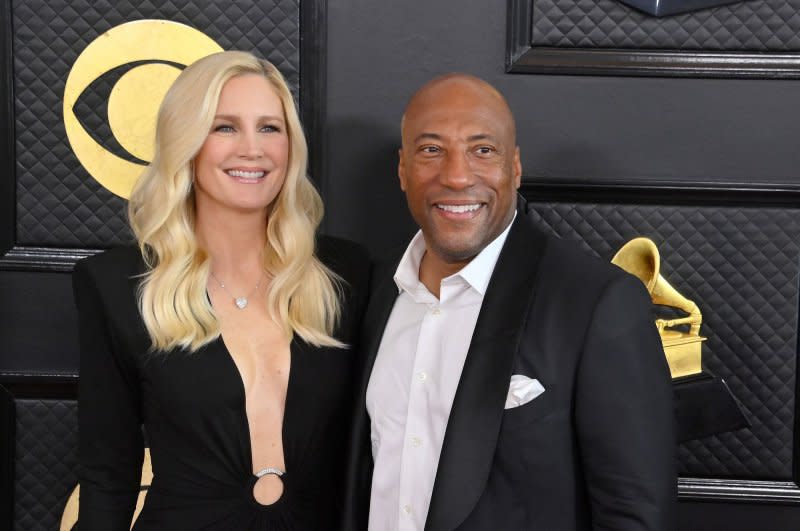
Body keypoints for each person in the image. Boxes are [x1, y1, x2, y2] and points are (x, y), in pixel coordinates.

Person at [343, 74, 676, 530]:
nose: (457, 175)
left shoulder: (597, 303)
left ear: (514, 168)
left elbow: (636, 516)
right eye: (431, 150)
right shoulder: (373, 292)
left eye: (483, 150)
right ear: (403, 169)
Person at [73, 51, 368, 530]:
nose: (253, 149)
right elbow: (108, 474)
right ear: (185, 142)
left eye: (270, 128)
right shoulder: (118, 286)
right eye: (225, 127)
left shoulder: (345, 275)